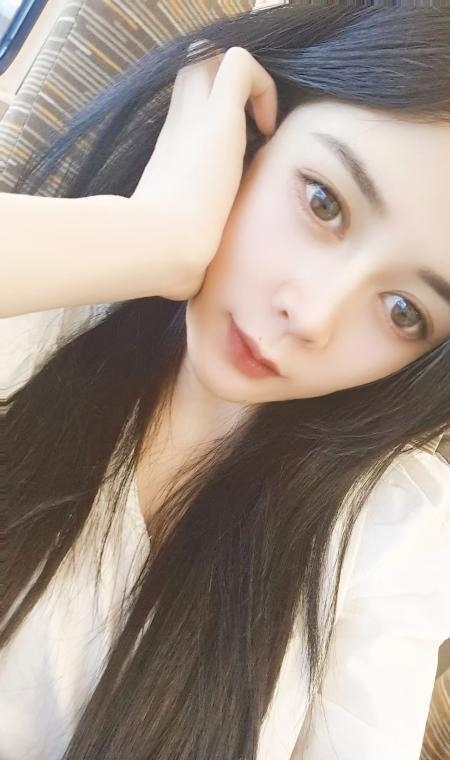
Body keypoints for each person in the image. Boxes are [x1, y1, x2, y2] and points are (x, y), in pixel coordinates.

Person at [2, 4, 450, 760]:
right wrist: (151, 238)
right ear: (252, 134)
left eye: (405, 311)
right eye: (323, 201)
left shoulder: (387, 524)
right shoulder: (41, 303)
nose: (312, 315)